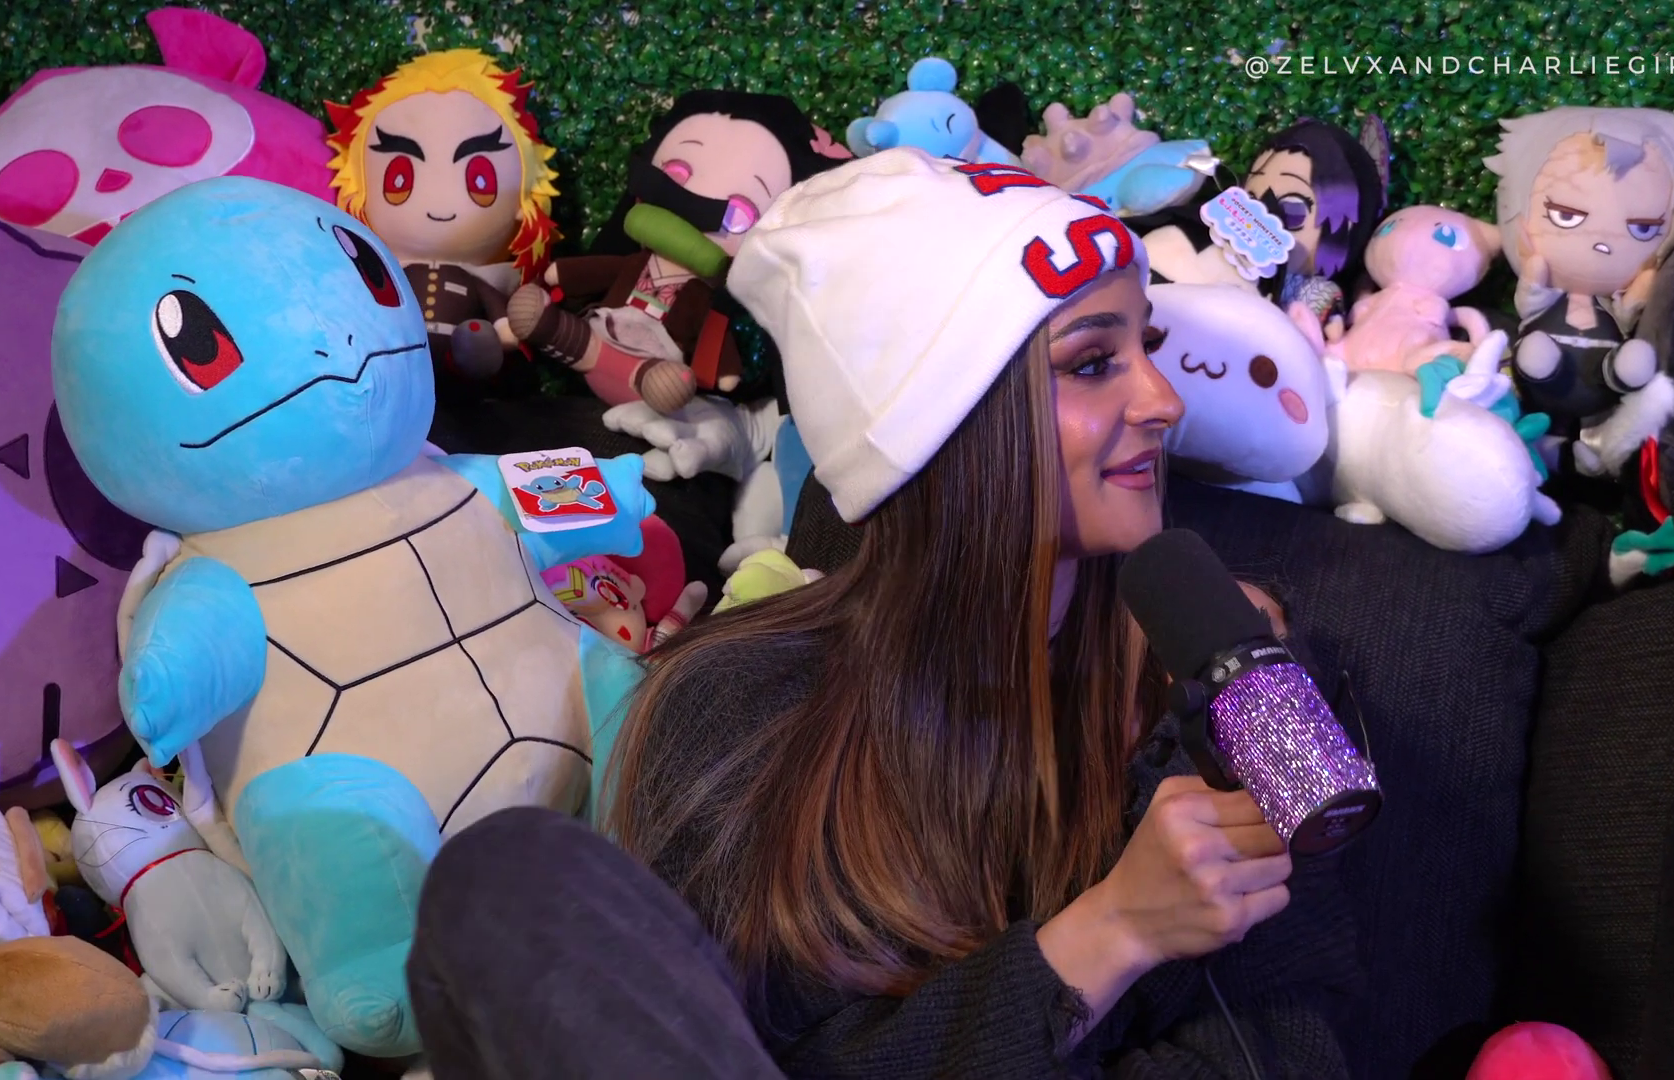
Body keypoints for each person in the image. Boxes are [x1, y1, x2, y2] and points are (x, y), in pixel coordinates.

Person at [406, 149, 1363, 1078]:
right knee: (505, 887)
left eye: (1144, 346)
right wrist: (1107, 935)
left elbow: (1293, 1046)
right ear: (947, 430)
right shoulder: (741, 709)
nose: (1162, 400)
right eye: (1089, 363)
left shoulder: (1238, 674)